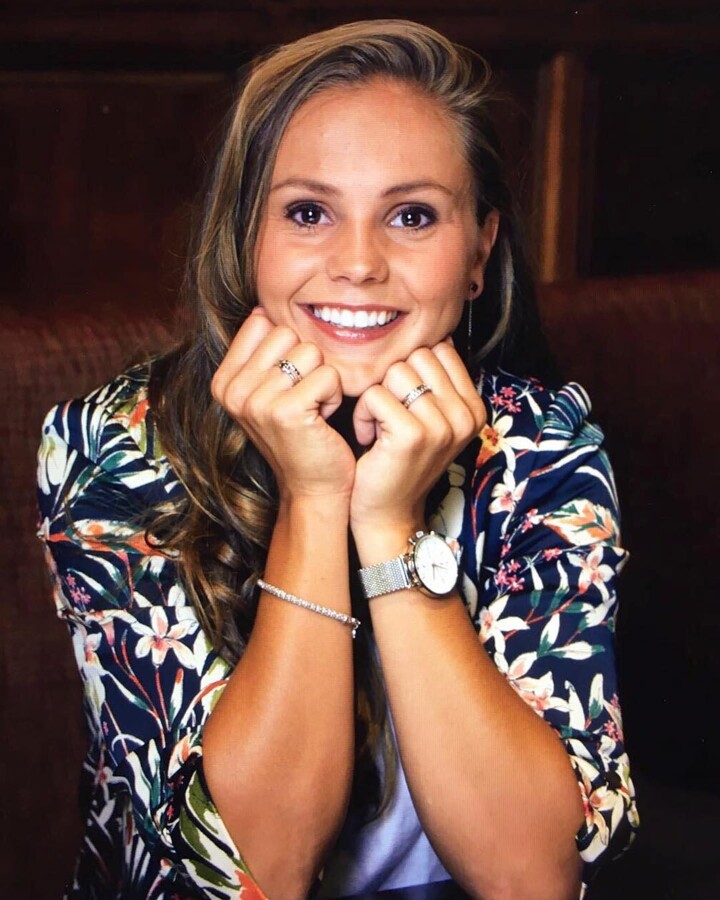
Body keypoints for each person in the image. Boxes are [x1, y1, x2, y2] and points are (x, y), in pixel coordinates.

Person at [37, 18, 638, 900]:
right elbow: (260, 872)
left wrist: (390, 529)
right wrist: (315, 498)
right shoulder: (113, 447)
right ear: (248, 236)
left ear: (479, 251)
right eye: (309, 213)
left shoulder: (542, 442)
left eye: (412, 215)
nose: (358, 263)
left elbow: (529, 878)